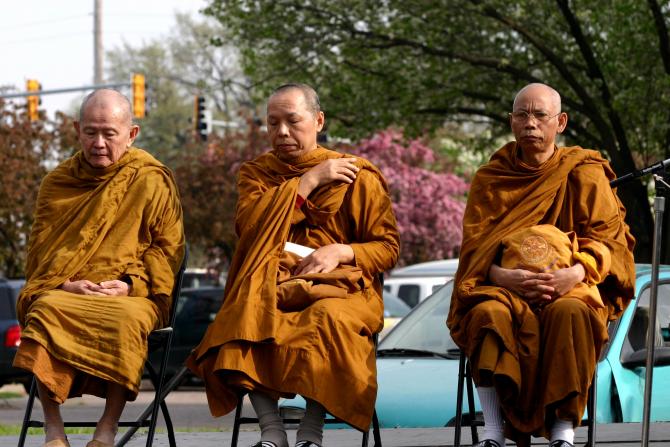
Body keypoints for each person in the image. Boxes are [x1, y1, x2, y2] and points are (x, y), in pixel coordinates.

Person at [187, 83, 399, 447]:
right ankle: (271, 431)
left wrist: (341, 251)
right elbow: (250, 228)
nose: (282, 133)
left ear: (318, 120)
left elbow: (387, 247)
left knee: (326, 319)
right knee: (243, 315)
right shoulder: (256, 174)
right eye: (273, 124)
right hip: (272, 281)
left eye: (292, 121)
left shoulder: (356, 176)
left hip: (339, 287)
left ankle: (310, 432)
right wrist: (309, 180)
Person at [447, 83, 636, 447]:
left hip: (572, 283)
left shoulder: (584, 172)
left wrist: (576, 273)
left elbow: (611, 242)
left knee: (572, 313)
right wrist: (503, 276)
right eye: (522, 115)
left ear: (560, 122)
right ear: (511, 121)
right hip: (502, 289)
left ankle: (563, 431)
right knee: (487, 314)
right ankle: (493, 431)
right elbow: (474, 251)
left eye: (539, 115)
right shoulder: (492, 178)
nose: (530, 123)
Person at [13, 89, 185, 447]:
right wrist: (64, 285)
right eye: (90, 132)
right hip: (68, 293)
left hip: (129, 295)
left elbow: (167, 250)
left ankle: (106, 429)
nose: (99, 143)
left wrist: (130, 284)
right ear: (77, 129)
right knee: (43, 309)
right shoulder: (58, 183)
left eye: (110, 133)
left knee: (126, 319)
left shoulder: (150, 179)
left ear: (131, 134)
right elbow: (41, 256)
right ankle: (53, 429)